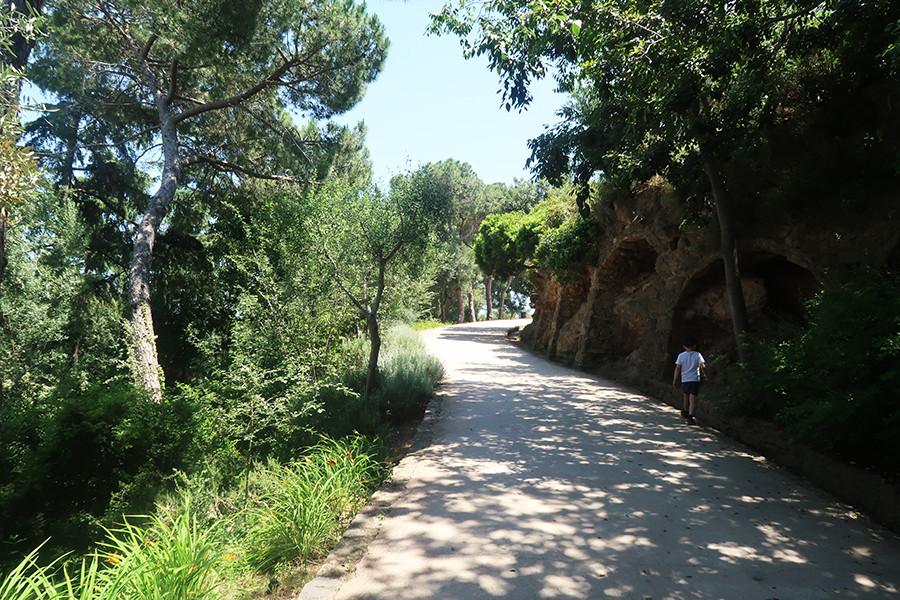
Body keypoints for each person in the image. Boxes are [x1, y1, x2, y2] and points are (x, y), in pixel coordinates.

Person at [673, 335, 706, 424]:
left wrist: (675, 380)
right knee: (692, 398)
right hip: (695, 379)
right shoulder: (698, 355)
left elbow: (677, 368)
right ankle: (691, 416)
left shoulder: (681, 356)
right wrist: (705, 374)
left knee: (685, 396)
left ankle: (685, 411)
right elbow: (702, 366)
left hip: (685, 380)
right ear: (695, 345)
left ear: (684, 346)